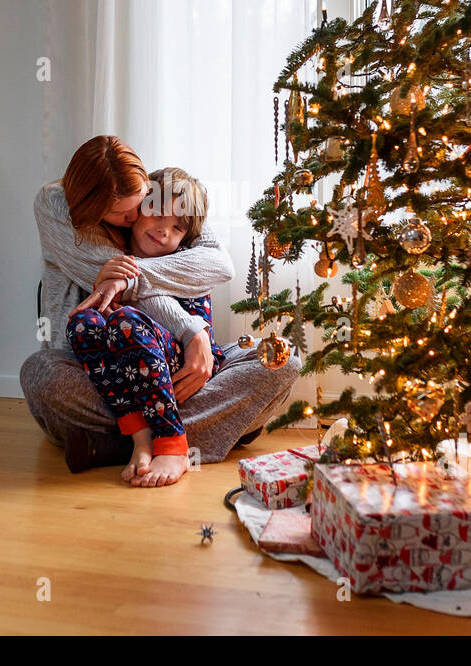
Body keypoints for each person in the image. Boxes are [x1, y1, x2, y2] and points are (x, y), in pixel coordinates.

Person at [21, 136, 300, 475]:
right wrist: (190, 329)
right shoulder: (57, 208)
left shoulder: (165, 195)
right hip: (101, 373)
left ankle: (116, 444)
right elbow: (120, 287)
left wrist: (192, 334)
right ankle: (190, 433)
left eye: (139, 203)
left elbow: (219, 264)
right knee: (41, 373)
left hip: (178, 374)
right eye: (126, 212)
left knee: (280, 359)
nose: (137, 214)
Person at [67, 167, 226, 487]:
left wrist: (131, 292)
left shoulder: (187, 263)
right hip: (121, 366)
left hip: (180, 362)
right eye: (156, 214)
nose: (164, 231)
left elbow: (198, 336)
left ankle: (172, 442)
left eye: (177, 227)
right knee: (81, 322)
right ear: (137, 210)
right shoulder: (112, 254)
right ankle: (140, 438)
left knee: (125, 321)